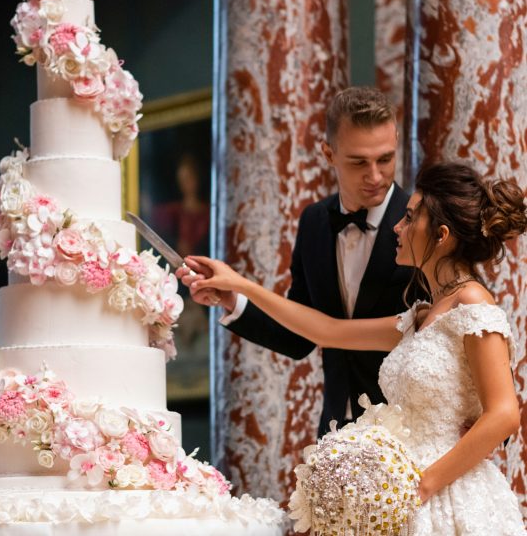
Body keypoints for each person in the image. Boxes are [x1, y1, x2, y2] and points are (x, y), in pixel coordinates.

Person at [187, 162, 527, 532]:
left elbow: (504, 414)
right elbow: (329, 331)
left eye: (409, 218)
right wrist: (241, 287)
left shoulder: (472, 301)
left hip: (444, 492)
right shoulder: (422, 315)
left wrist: (421, 486)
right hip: (401, 491)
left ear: (441, 235)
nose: (398, 226)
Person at [178, 86, 423, 433]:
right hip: (338, 430)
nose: (375, 175)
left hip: (410, 430)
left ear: (396, 141)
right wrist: (232, 300)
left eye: (385, 158)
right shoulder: (314, 222)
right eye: (358, 162)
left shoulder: (423, 223)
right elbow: (299, 336)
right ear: (328, 153)